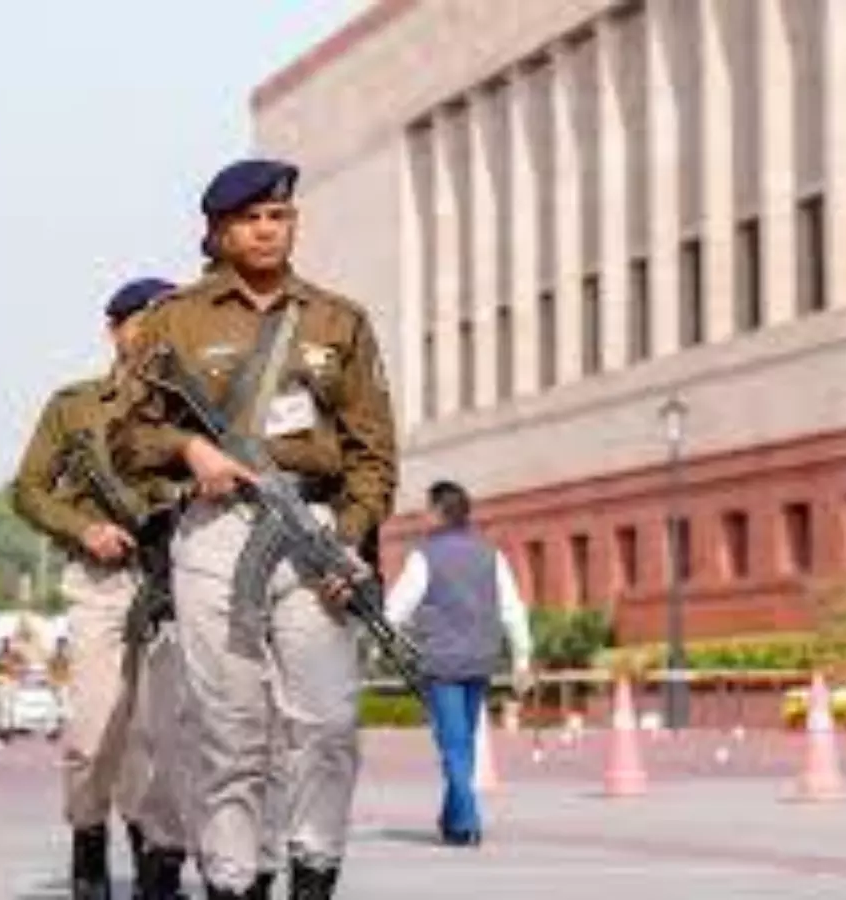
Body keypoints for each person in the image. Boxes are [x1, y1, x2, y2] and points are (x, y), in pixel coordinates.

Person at [108, 158, 398, 899]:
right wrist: (189, 449)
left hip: (313, 527)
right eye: (252, 219)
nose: (269, 230)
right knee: (231, 727)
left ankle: (313, 868)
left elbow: (373, 452)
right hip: (214, 532)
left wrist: (353, 538)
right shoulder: (176, 319)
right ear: (218, 231)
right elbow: (129, 440)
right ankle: (236, 881)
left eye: (281, 217)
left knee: (328, 721)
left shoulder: (340, 320)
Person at [11, 275, 193, 900]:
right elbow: (28, 489)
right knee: (95, 733)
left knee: (163, 731)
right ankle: (88, 836)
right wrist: (83, 527)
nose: (154, 332)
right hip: (103, 585)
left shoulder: (199, 408)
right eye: (141, 320)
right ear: (113, 330)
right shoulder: (75, 406)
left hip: (176, 582)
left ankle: (159, 853)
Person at [384, 480, 533, 847]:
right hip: (481, 660)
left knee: (453, 745)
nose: (422, 515)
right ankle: (451, 818)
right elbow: (513, 609)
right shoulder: (491, 554)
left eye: (426, 508)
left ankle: (467, 821)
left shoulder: (424, 556)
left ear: (438, 513)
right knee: (464, 741)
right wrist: (522, 659)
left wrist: (390, 638)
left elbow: (396, 611)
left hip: (443, 662)